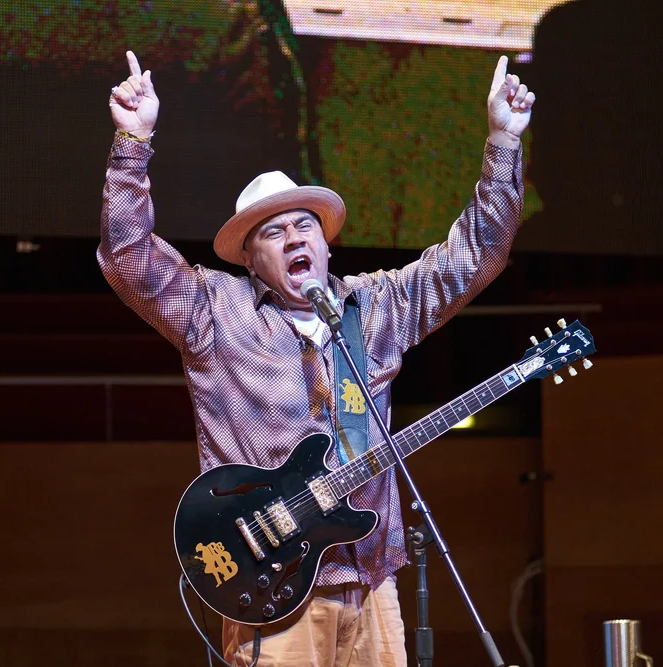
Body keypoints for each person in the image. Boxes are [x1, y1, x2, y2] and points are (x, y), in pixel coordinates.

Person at [100, 50, 535, 667]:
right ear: (251, 260)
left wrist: (502, 143)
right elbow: (128, 258)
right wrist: (133, 140)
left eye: (305, 225)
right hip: (270, 586)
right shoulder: (214, 312)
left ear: (326, 246)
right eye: (272, 233)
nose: (294, 237)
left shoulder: (376, 307)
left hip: (372, 580)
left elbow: (475, 258)